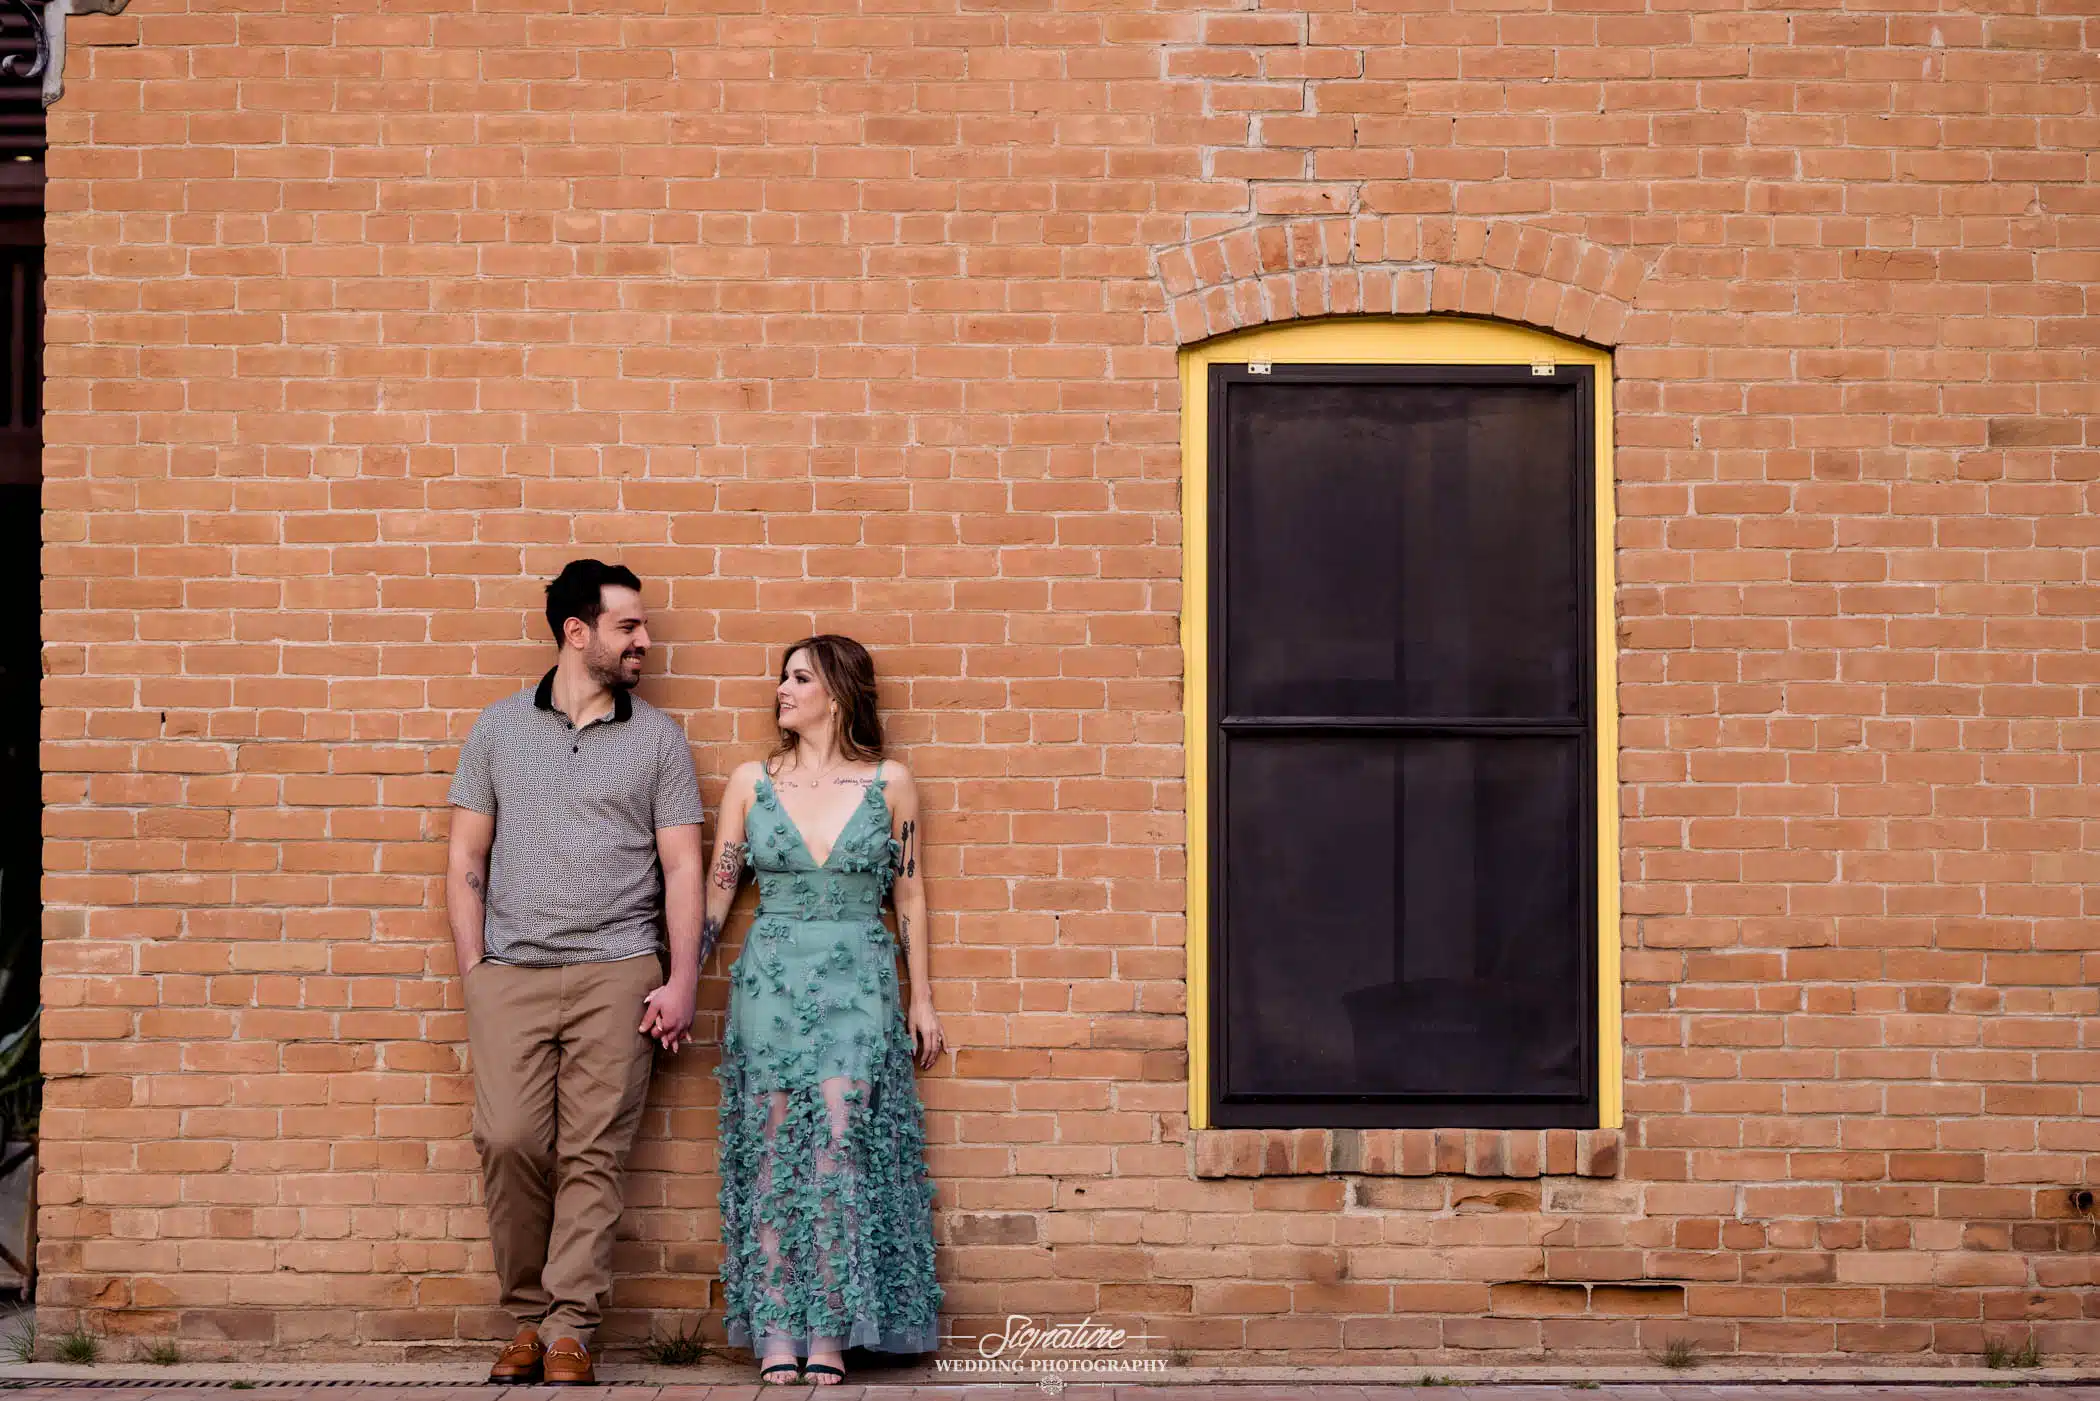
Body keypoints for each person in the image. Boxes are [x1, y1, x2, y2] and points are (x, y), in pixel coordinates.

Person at [445, 559, 706, 1387]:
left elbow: (685, 868)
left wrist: (682, 980)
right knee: (509, 1137)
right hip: (511, 970)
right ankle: (526, 1311)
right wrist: (476, 972)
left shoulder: (660, 738)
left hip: (618, 970)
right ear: (577, 631)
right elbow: (465, 858)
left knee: (594, 1151)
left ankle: (567, 1327)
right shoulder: (495, 729)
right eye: (629, 626)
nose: (645, 641)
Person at [700, 635, 945, 1387]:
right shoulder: (751, 780)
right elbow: (718, 889)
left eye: (798, 677)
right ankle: (776, 1326)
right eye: (782, 675)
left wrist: (922, 996)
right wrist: (683, 970)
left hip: (859, 987)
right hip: (770, 983)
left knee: (840, 1148)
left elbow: (909, 892)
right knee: (773, 1150)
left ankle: (831, 1327)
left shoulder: (890, 783)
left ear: (835, 693)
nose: (781, 688)